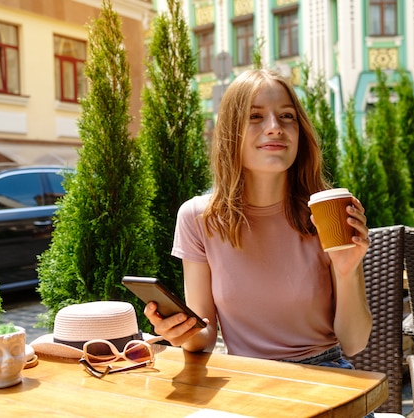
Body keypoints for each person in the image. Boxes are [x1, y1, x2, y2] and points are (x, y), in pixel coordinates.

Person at [144, 69, 372, 369]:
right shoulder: (198, 217)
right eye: (255, 117)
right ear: (230, 131)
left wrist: (348, 270)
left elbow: (354, 343)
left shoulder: (325, 212)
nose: (275, 127)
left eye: (287, 116)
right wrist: (181, 332)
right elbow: (205, 337)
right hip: (248, 381)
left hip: (324, 374)